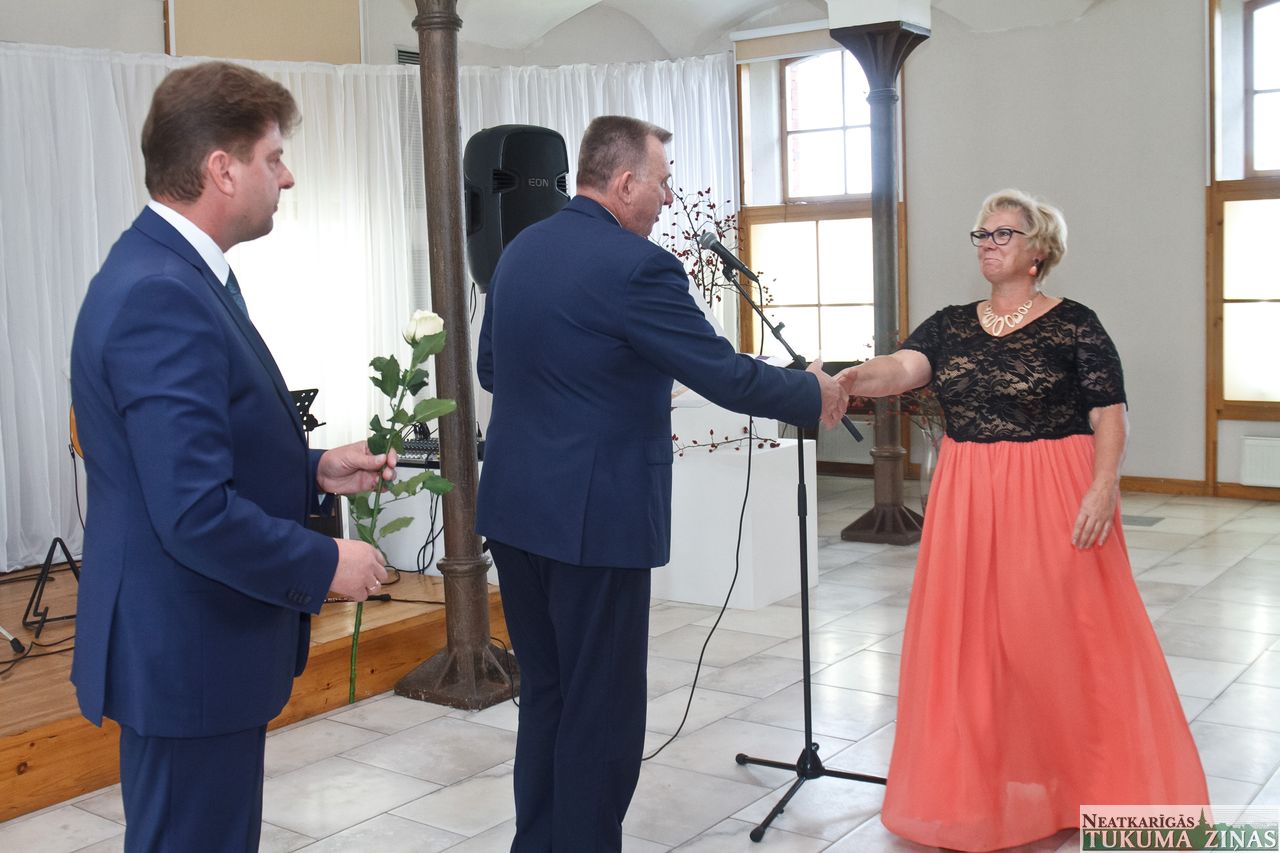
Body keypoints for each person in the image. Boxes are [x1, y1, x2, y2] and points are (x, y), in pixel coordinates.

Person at [476, 115, 848, 852]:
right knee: (602, 710)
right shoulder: (636, 266)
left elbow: (492, 370)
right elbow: (722, 373)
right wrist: (813, 391)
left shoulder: (519, 250)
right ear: (624, 183)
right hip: (595, 521)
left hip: (516, 513)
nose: (669, 197)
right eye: (662, 181)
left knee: (548, 696)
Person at [69, 61, 392, 851]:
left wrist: (313, 468)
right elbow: (191, 511)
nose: (288, 177)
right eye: (273, 157)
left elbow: (191, 454)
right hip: (188, 650)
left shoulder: (177, 272)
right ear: (222, 169)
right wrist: (326, 562)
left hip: (194, 645)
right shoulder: (161, 292)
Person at [836, 189, 1207, 851]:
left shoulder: (1076, 324)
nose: (988, 243)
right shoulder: (950, 325)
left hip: (1054, 490)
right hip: (969, 493)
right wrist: (847, 378)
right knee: (977, 643)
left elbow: (1110, 413)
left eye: (1003, 233)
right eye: (982, 233)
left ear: (1039, 250)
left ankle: (1093, 785)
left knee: (1066, 638)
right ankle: (985, 791)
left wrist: (1103, 487)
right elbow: (901, 369)